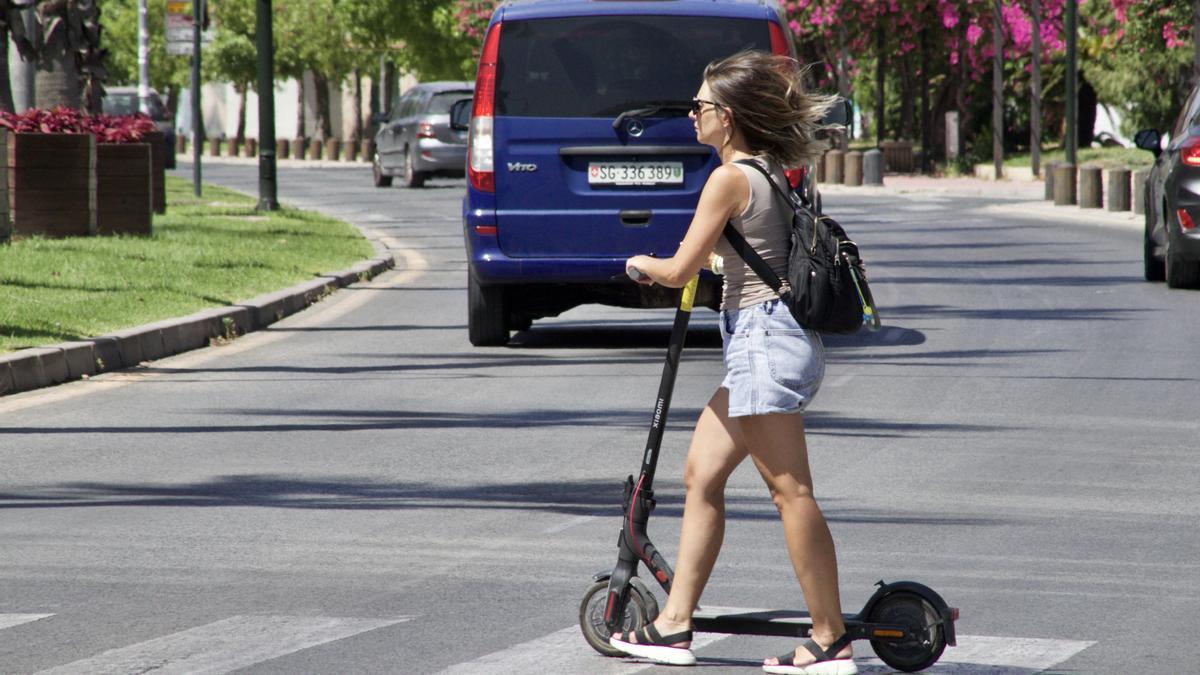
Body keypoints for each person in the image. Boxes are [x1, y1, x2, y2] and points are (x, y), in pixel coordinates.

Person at [607, 50, 855, 675]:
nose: (692, 114)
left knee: (789, 492)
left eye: (700, 106)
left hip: (765, 344)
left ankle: (829, 639)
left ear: (728, 115)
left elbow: (677, 268)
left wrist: (641, 264)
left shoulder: (728, 178)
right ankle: (673, 624)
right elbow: (745, 251)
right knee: (701, 474)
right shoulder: (764, 172)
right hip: (764, 340)